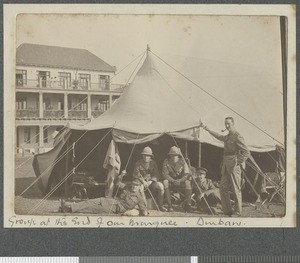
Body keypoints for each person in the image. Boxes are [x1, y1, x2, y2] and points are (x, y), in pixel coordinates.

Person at [200, 117, 250, 216]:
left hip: (234, 165)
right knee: (222, 188)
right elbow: (218, 136)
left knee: (236, 189)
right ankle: (227, 210)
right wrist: (207, 129)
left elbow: (246, 152)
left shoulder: (237, 136)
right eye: (225, 124)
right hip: (226, 165)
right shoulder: (228, 136)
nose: (227, 126)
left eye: (228, 124)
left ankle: (237, 211)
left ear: (233, 123)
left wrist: (238, 162)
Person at [59, 171, 148, 216]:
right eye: (133, 184)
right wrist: (121, 175)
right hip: (112, 201)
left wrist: (134, 211)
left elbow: (144, 211)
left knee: (93, 209)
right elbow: (117, 183)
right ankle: (69, 206)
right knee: (90, 201)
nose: (133, 186)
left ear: (140, 186)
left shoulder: (140, 197)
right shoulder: (127, 187)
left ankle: (68, 209)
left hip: (115, 209)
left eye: (136, 185)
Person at [132, 146, 166, 212]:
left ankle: (160, 205)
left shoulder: (153, 163)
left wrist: (150, 181)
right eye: (144, 155)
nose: (146, 157)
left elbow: (156, 174)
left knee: (161, 186)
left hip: (151, 183)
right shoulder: (138, 163)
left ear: (150, 156)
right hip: (141, 183)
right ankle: (144, 207)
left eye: (148, 156)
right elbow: (136, 175)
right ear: (142, 156)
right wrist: (143, 182)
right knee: (140, 189)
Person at [162, 146, 192, 212]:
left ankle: (189, 204)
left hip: (181, 180)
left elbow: (187, 174)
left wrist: (180, 180)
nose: (174, 157)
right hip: (171, 180)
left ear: (178, 156)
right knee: (165, 182)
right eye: (172, 155)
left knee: (188, 183)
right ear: (169, 155)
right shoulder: (166, 162)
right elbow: (165, 174)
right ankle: (170, 205)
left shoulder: (182, 161)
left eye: (175, 155)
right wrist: (173, 180)